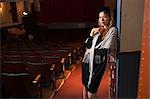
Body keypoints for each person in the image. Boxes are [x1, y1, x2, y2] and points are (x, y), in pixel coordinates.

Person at [82, 6, 117, 99]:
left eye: (105, 17)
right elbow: (87, 45)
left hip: (98, 65)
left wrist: (91, 50)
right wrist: (91, 34)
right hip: (87, 63)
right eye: (100, 17)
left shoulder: (112, 30)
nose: (102, 19)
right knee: (85, 88)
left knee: (91, 93)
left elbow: (105, 49)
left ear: (110, 18)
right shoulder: (96, 30)